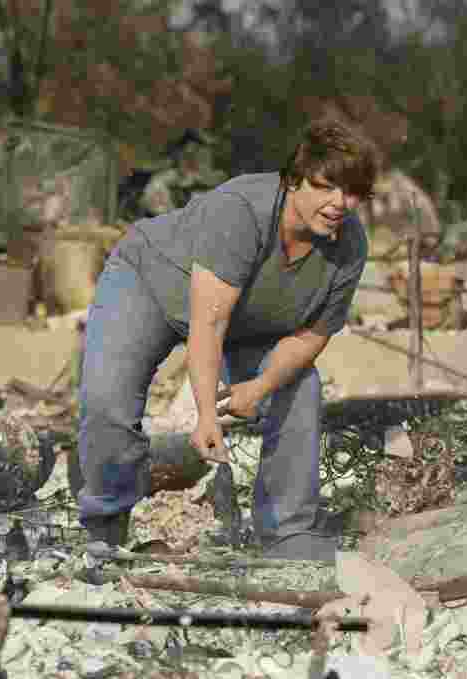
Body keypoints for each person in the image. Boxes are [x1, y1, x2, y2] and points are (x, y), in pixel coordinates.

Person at [76, 117, 381, 563]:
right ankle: (106, 520)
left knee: (299, 387)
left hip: (247, 318)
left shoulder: (349, 246)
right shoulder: (242, 211)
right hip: (153, 284)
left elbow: (310, 336)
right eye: (326, 187)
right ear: (295, 179)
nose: (340, 204)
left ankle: (287, 532)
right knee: (108, 403)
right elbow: (209, 324)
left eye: (352, 193)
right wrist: (206, 416)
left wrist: (258, 388)